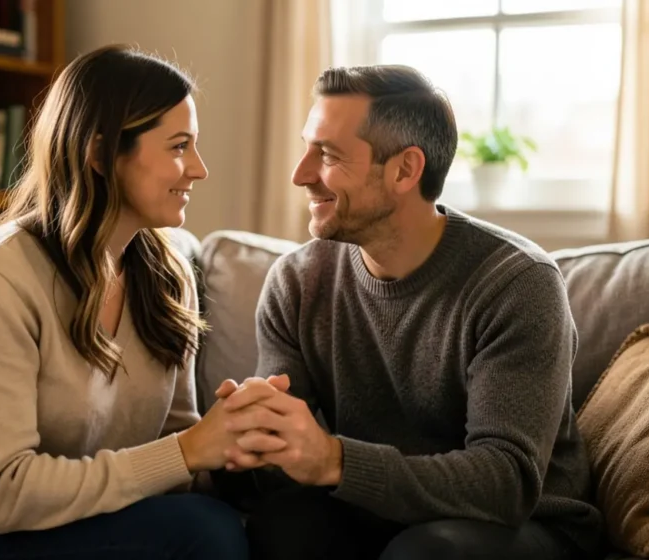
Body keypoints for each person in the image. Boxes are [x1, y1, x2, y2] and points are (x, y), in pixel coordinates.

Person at [0, 45, 263, 560]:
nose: (199, 168)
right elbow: (4, 493)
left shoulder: (166, 278)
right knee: (202, 533)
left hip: (78, 521)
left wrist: (235, 448)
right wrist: (187, 452)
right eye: (178, 146)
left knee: (252, 523)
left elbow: (174, 448)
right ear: (100, 153)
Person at [213, 65, 604, 560]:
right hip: (373, 508)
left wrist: (335, 460)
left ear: (404, 170)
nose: (300, 174)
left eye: (328, 155)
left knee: (427, 553)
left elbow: (505, 482)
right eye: (307, 148)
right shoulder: (297, 281)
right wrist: (246, 442)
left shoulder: (517, 283)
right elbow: (281, 458)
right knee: (282, 528)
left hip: (526, 523)